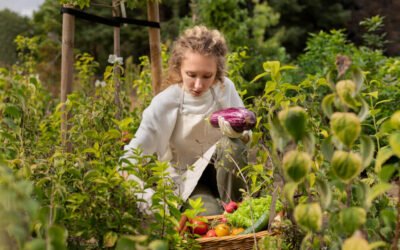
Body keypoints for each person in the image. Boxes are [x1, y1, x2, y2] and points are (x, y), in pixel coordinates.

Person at [120, 25, 251, 216]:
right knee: (208, 217)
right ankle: (215, 212)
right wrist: (147, 198)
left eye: (207, 76)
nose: (198, 85)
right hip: (187, 180)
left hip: (224, 175)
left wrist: (241, 133)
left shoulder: (224, 89)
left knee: (233, 145)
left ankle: (239, 211)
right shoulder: (164, 103)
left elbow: (247, 136)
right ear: (178, 67)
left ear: (218, 72)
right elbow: (128, 161)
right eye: (191, 75)